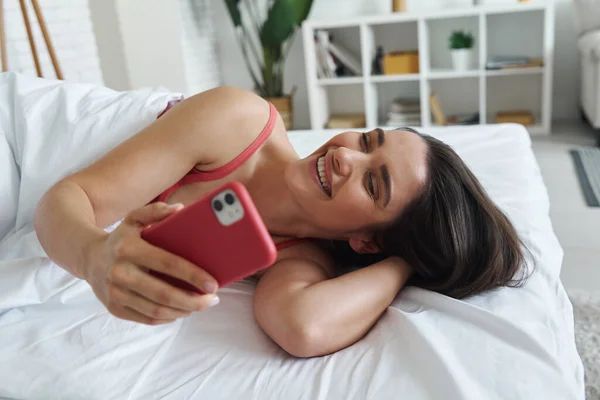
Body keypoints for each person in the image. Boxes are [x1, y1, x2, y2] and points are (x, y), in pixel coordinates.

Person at [34, 86, 530, 358]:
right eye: (368, 140)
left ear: (366, 242)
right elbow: (69, 197)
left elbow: (303, 327)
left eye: (373, 185)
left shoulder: (297, 257)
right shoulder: (239, 121)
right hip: (25, 141)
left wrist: (403, 265)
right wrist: (94, 257)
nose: (345, 156)